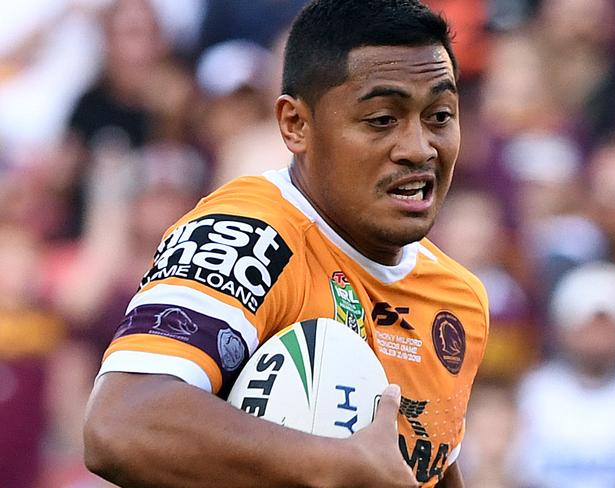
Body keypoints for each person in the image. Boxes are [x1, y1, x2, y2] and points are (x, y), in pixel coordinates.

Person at [83, 1, 489, 487]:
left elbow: (422, 470)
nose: (419, 147)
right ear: (296, 124)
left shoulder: (458, 299)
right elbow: (120, 423)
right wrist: (332, 464)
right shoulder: (248, 234)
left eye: (440, 116)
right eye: (382, 119)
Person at [511, 261, 615, 488]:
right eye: (589, 326)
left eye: (610, 327)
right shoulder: (535, 391)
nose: (599, 338)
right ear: (564, 329)